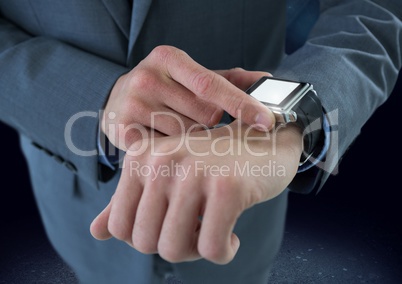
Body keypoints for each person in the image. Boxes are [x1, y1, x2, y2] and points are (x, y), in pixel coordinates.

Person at [0, 0, 401, 283]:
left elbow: (375, 8)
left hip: (241, 188)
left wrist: (292, 123)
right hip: (80, 201)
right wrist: (97, 96)